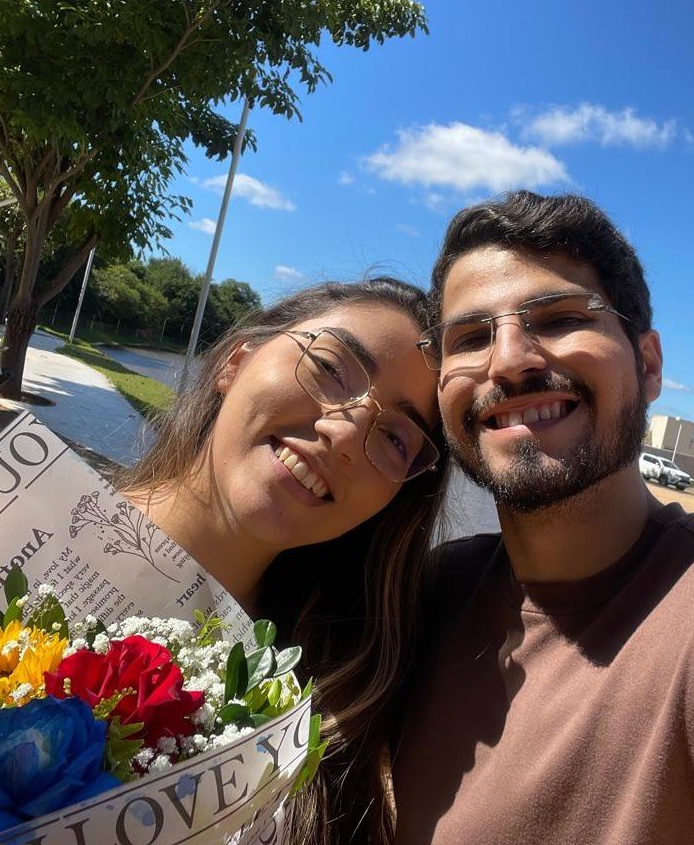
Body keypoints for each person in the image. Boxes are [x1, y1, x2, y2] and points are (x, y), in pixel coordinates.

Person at [391, 191, 694, 845]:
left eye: (560, 318)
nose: (507, 360)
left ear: (647, 366)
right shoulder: (425, 594)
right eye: (471, 338)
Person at [117, 277, 450, 845]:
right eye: (330, 367)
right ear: (235, 363)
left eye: (396, 439)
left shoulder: (331, 715)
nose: (345, 433)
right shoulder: (8, 530)